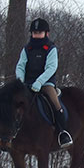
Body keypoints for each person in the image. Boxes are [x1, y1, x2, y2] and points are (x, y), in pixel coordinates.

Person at [15, 18, 73, 148]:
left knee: (55, 103)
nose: (36, 35)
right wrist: (20, 81)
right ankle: (11, 133)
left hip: (45, 83)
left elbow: (51, 68)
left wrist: (39, 82)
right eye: (34, 33)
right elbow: (20, 66)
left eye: (39, 32)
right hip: (27, 83)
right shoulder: (26, 49)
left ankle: (63, 133)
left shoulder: (51, 49)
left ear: (46, 33)